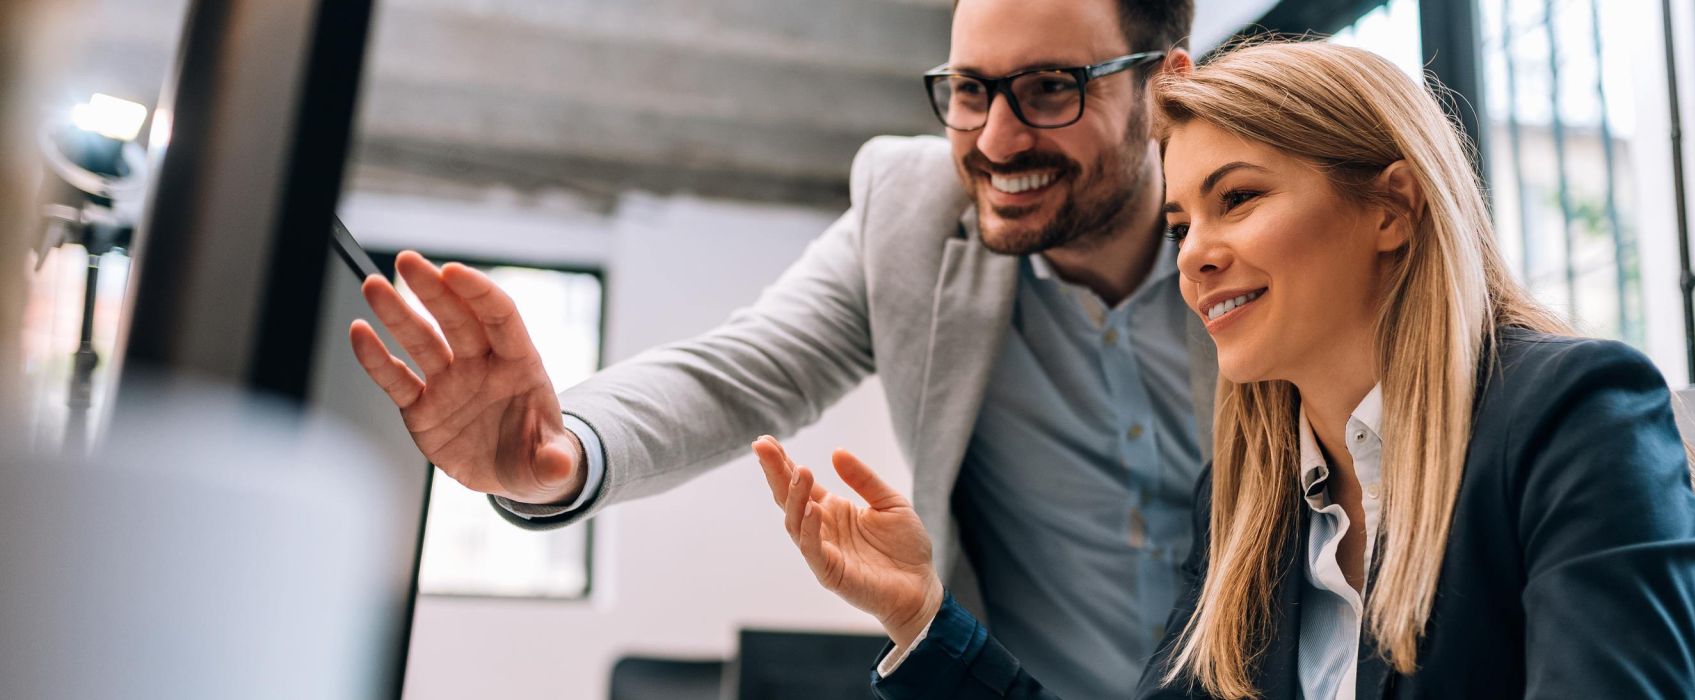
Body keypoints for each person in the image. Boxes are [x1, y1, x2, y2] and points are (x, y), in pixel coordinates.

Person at [750, 40, 1695, 699]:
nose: (1195, 253)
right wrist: (924, 617)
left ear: (1392, 208)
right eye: (1182, 220)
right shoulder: (1250, 499)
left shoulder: (1575, 416)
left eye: (1239, 199)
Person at [348, 1, 1212, 696]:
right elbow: (739, 373)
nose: (994, 139)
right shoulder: (910, 211)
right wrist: (564, 449)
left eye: (1052, 88)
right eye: (969, 89)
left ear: (1167, 86)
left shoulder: (1266, 237)